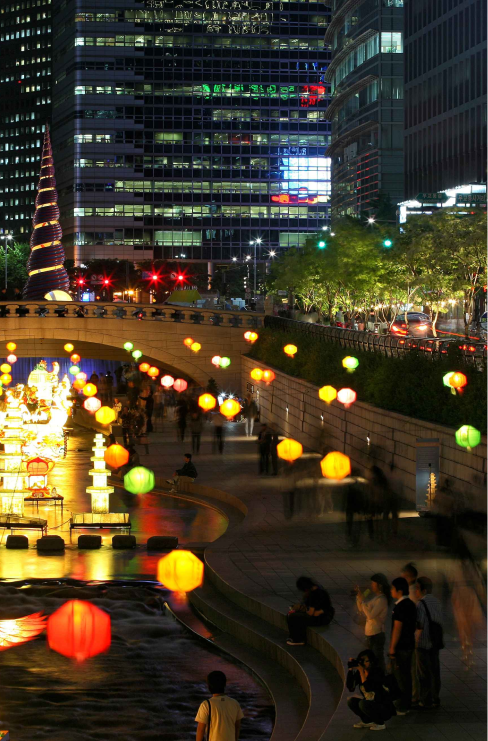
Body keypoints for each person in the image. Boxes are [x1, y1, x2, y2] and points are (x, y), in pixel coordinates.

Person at [388, 577, 417, 715]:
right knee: (406, 676)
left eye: (392, 588)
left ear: (399, 591)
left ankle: (402, 706)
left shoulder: (399, 607)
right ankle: (407, 703)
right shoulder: (411, 604)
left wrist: (392, 648)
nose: (391, 591)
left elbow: (397, 628)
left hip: (401, 646)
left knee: (400, 677)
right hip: (410, 644)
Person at [347, 649, 394, 731]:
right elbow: (351, 687)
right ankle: (367, 721)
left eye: (365, 661)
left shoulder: (377, 672)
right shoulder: (361, 673)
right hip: (370, 704)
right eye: (361, 661)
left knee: (363, 703)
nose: (363, 663)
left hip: (383, 707)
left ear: (372, 661)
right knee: (351, 701)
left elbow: (368, 689)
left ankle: (380, 723)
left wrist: (362, 672)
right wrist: (350, 670)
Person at [415, 576, 443, 708]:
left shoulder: (420, 604)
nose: (415, 591)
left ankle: (425, 700)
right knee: (435, 671)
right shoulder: (437, 602)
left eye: (417, 588)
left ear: (423, 590)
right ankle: (435, 697)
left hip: (423, 643)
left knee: (423, 673)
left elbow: (419, 625)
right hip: (435, 641)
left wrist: (415, 641)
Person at [355, 573, 391, 672]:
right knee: (370, 659)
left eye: (373, 584)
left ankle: (382, 678)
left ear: (379, 585)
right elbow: (362, 609)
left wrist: (362, 602)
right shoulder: (375, 599)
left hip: (377, 634)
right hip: (370, 634)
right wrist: (359, 597)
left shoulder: (382, 600)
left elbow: (370, 615)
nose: (371, 585)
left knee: (378, 659)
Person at [195, 670, 244, 741]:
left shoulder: (206, 705)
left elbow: (200, 730)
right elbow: (237, 726)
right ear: (224, 685)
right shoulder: (234, 703)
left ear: (209, 686)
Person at [286, 576, 334, 646]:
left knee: (293, 616)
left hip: (322, 619)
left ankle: (299, 639)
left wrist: (301, 610)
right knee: (292, 614)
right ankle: (293, 636)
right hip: (324, 616)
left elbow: (311, 613)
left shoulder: (314, 594)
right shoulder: (318, 589)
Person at [401, 561, 419, 704]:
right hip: (414, 634)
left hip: (414, 635)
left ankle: (414, 696)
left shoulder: (412, 594)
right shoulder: (413, 591)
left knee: (413, 667)